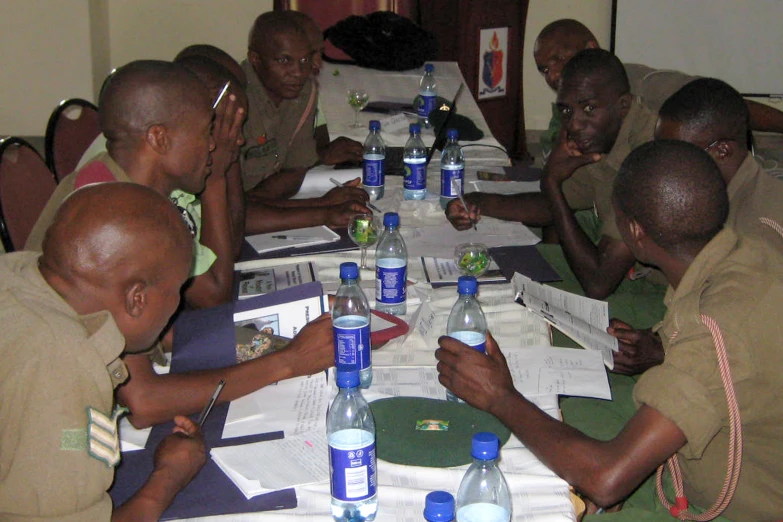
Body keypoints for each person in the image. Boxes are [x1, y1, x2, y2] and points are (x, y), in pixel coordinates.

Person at [436, 140, 783, 521]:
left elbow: (606, 478)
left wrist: (499, 396)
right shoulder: (748, 254)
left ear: (634, 231)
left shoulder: (713, 334)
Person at [0, 183, 206, 521]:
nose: (178, 303)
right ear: (136, 298)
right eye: (177, 289)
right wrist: (169, 477)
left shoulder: (18, 270)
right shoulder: (61, 360)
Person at [447, 49, 659, 301]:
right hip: (613, 271)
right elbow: (554, 204)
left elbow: (598, 283)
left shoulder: (649, 160)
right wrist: (475, 202)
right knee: (502, 266)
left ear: (623, 105)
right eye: (567, 111)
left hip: (659, 293)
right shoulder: (606, 134)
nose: (574, 125)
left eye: (589, 108)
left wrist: (551, 180)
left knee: (504, 295)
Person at [26, 59, 237, 309]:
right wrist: (216, 179)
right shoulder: (113, 212)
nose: (212, 145)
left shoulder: (144, 184)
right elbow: (210, 298)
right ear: (159, 138)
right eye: (205, 132)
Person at [608, 77, 783, 375]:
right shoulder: (709, 198)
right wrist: (654, 338)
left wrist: (662, 350)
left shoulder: (759, 231)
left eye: (675, 149)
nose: (663, 160)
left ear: (722, 151)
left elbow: (754, 346)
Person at [533, 18, 783, 149]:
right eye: (544, 69)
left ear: (591, 48)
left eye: (559, 58)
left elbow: (719, 104)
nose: (553, 75)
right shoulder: (563, 112)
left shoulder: (641, 84)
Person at [240, 11, 370, 233]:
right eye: (284, 60)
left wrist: (260, 201)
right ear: (255, 60)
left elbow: (294, 170)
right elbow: (232, 211)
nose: (298, 72)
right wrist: (322, 207)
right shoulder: (236, 101)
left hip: (256, 206)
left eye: (305, 60)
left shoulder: (304, 90)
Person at [285, 10, 364, 166]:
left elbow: (319, 136)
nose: (317, 63)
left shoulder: (307, 84)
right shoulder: (267, 91)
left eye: (319, 53)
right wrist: (320, 156)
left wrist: (326, 151)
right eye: (308, 55)